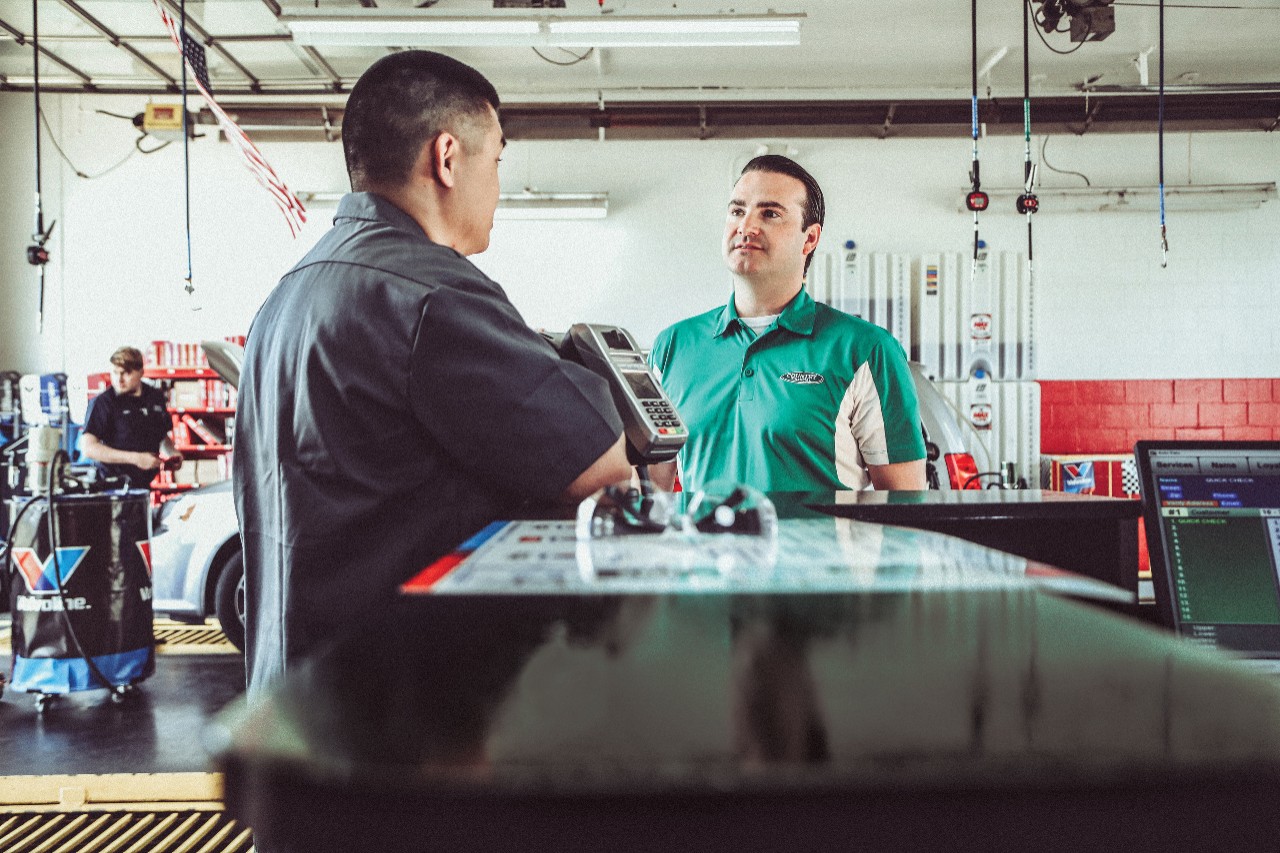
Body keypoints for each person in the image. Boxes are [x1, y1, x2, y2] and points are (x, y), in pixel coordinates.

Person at [233, 50, 630, 695]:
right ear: (447, 157)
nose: (498, 185)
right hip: (402, 705)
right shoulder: (431, 293)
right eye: (497, 159)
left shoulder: (291, 292)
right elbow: (600, 470)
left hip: (296, 690)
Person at [648, 155, 926, 494]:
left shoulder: (866, 350)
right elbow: (651, 497)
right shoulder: (672, 348)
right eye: (737, 211)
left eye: (770, 214)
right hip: (704, 548)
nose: (746, 226)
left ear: (809, 239)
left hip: (819, 549)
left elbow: (907, 508)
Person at [81, 346, 181, 489]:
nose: (119, 379)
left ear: (141, 372)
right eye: (115, 373)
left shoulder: (154, 397)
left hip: (143, 486)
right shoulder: (103, 403)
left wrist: (172, 453)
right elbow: (89, 448)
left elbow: (161, 435)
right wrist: (136, 459)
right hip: (111, 486)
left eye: (126, 373)